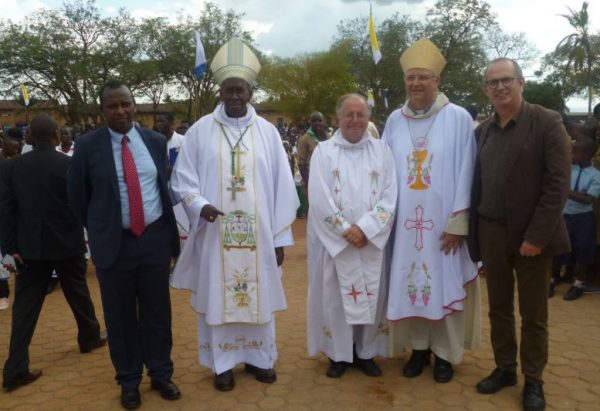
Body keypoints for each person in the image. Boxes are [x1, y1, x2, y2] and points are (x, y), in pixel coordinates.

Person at [170, 38, 299, 392]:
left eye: (240, 90)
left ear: (250, 92)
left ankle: (260, 359)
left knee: (260, 294)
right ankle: (222, 363)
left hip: (259, 237)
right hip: (216, 233)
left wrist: (279, 238)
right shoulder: (199, 132)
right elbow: (183, 179)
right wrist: (199, 205)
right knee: (218, 294)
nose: (234, 96)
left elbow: (283, 188)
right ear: (220, 92)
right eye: (228, 90)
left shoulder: (269, 134)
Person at [67, 80, 181, 409]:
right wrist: (101, 227)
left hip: (155, 241)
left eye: (126, 103)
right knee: (119, 317)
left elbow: (162, 186)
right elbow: (76, 196)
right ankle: (129, 379)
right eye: (113, 105)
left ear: (134, 104)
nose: (121, 110)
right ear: (102, 110)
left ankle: (160, 373)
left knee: (158, 313)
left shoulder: (155, 141)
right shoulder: (88, 146)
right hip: (114, 246)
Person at [467, 58, 570, 411]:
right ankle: (505, 368)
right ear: (485, 89)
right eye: (492, 82)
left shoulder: (546, 122)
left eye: (506, 80)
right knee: (498, 307)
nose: (499, 87)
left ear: (521, 83)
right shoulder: (482, 131)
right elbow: (476, 185)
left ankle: (534, 379)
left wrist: (538, 235)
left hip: (531, 237)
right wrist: (474, 235)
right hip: (491, 231)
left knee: (534, 312)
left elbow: (557, 185)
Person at [384, 37, 481, 383]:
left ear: (437, 81)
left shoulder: (457, 118)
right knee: (410, 281)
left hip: (444, 226)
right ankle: (418, 349)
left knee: (444, 281)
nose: (416, 84)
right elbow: (383, 171)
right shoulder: (395, 120)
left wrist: (460, 221)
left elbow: (469, 167)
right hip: (406, 225)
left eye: (423, 77)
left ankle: (444, 355)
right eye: (411, 78)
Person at [0, 114, 106, 392]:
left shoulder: (11, 168)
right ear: (58, 137)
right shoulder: (69, 165)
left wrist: (9, 249)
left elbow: (6, 210)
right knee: (78, 293)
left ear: (30, 138)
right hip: (67, 244)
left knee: (25, 309)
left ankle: (15, 368)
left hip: (28, 249)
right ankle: (89, 338)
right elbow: (83, 205)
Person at [307, 93, 397, 378]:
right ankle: (339, 354)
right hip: (339, 242)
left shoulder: (383, 150)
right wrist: (346, 230)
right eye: (350, 115)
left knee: (372, 295)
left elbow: (390, 195)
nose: (355, 120)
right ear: (338, 119)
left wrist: (367, 229)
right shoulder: (323, 151)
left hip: (371, 241)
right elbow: (319, 198)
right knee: (336, 297)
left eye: (361, 114)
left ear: (368, 117)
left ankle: (366, 353)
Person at [551, 137, 600, 300]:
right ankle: (553, 279)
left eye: (575, 152)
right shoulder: (569, 170)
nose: (571, 155)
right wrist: (573, 194)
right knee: (558, 247)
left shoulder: (595, 175)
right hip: (565, 215)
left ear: (587, 154)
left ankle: (578, 284)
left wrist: (566, 192)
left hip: (583, 218)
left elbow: (588, 199)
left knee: (582, 250)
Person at [297, 112, 329, 192]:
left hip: (328, 180)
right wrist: (309, 184)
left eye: (319, 120)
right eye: (314, 121)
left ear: (323, 122)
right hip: (311, 180)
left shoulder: (329, 137)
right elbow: (301, 164)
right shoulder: (304, 139)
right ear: (310, 123)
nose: (317, 123)